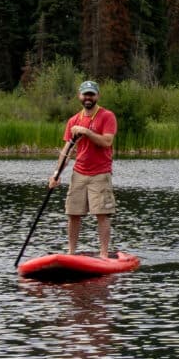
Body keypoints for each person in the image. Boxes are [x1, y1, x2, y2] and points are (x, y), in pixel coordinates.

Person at [49, 79, 119, 259]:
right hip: (79, 173)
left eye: (91, 94)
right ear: (80, 96)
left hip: (100, 173)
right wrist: (56, 174)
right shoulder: (73, 120)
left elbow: (107, 141)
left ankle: (104, 255)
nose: (88, 97)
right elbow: (66, 150)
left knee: (102, 214)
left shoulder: (107, 116)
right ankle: (71, 253)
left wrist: (86, 132)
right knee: (73, 214)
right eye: (85, 94)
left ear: (97, 96)